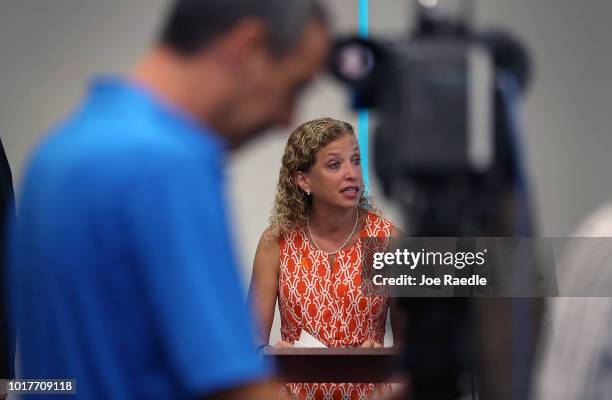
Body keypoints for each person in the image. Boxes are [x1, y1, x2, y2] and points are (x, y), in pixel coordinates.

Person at [7, 1, 329, 399]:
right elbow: (234, 389)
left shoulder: (58, 154)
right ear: (250, 47)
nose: (286, 118)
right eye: (293, 87)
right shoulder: (167, 165)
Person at [249, 117, 402, 400]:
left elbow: (415, 352)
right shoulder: (277, 242)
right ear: (303, 180)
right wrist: (272, 355)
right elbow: (249, 345)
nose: (352, 174)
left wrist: (382, 356)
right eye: (335, 165)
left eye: (355, 161)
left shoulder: (386, 241)